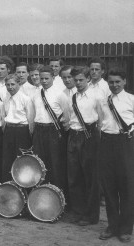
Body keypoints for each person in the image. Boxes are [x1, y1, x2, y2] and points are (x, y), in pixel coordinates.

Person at [98, 68, 134, 243]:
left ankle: (126, 228)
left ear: (124, 81)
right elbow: (101, 123)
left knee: (127, 187)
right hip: (106, 143)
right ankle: (112, 226)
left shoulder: (131, 100)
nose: (114, 85)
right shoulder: (104, 101)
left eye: (117, 81)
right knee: (109, 187)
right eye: (111, 82)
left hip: (125, 144)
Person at [67, 66, 101, 226]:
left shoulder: (96, 97)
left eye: (81, 79)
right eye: (76, 80)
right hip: (73, 136)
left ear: (88, 79)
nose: (78, 83)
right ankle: (79, 212)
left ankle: (91, 215)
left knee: (90, 178)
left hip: (89, 136)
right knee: (75, 177)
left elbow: (101, 120)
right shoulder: (72, 97)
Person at [32, 66, 70, 194]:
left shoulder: (60, 94)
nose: (43, 81)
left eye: (47, 78)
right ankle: (41, 193)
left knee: (55, 163)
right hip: (39, 130)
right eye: (41, 78)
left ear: (53, 78)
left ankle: (58, 194)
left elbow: (67, 115)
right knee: (40, 163)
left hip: (53, 130)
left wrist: (61, 133)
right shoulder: (36, 94)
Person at [2, 74, 34, 181]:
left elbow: (30, 119)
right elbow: (4, 116)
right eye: (7, 85)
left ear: (19, 84)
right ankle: (10, 186)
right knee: (8, 159)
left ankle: (23, 186)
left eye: (12, 84)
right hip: (9, 130)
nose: (10, 87)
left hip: (22, 131)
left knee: (21, 159)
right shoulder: (6, 99)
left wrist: (29, 135)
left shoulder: (26, 99)